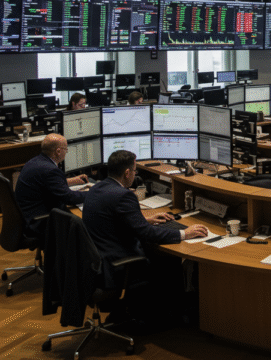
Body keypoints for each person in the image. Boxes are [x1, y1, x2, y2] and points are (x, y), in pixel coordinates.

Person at [82, 150, 208, 323]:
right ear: (127, 173)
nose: (135, 174)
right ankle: (169, 316)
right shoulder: (124, 195)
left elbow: (113, 220)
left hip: (97, 261)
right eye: (135, 171)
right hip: (116, 265)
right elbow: (148, 233)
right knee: (168, 259)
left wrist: (144, 219)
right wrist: (185, 233)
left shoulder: (96, 188)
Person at [15, 133, 88, 239]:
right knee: (80, 222)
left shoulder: (36, 161)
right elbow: (69, 197)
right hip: (39, 222)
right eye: (66, 149)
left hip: (27, 216)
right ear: (58, 151)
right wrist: (93, 193)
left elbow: (47, 185)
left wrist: (72, 181)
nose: (66, 152)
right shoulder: (50, 170)